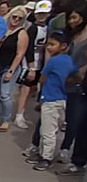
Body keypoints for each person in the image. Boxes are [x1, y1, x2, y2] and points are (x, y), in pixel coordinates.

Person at [31, 31, 77, 170]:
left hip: (50, 99)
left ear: (63, 46)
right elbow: (74, 77)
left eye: (52, 44)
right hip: (63, 99)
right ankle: (44, 153)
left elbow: (43, 78)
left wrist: (39, 93)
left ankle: (46, 157)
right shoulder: (71, 61)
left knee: (47, 131)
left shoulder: (53, 61)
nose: (49, 47)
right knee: (53, 129)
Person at [0, 6, 30, 132]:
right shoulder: (3, 29)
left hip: (9, 66)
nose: (16, 19)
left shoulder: (22, 33)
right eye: (14, 16)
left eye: (19, 18)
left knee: (5, 95)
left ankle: (5, 119)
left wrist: (11, 71)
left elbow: (20, 54)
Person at [57, 3, 87, 174]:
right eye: (70, 17)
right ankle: (76, 158)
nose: (71, 21)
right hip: (66, 79)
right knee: (69, 117)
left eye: (75, 17)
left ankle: (70, 151)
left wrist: (78, 73)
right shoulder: (70, 35)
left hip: (80, 81)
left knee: (77, 119)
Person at [15, 0, 51, 129]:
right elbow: (28, 48)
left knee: (31, 90)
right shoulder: (32, 28)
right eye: (39, 13)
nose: (41, 16)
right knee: (25, 89)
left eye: (44, 14)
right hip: (29, 62)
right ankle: (19, 115)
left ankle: (22, 114)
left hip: (40, 62)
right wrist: (31, 67)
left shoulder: (47, 28)